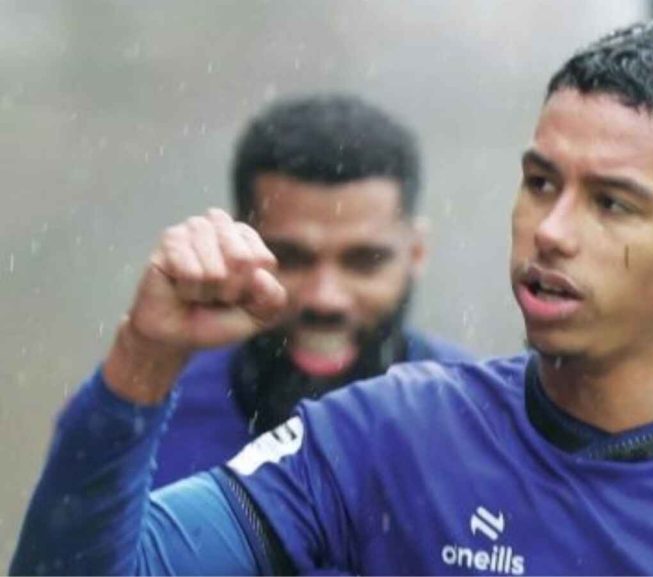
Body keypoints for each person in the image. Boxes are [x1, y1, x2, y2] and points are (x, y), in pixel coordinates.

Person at [11, 20, 653, 576]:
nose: (552, 229)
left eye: (612, 202)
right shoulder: (387, 436)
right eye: (541, 182)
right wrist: (144, 359)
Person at [151, 95, 472, 487]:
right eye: (288, 258)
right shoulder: (149, 419)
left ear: (416, 253)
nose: (325, 298)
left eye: (363, 261)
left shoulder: (481, 426)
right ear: (238, 244)